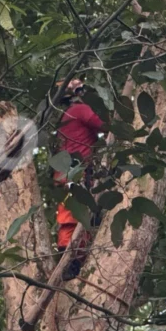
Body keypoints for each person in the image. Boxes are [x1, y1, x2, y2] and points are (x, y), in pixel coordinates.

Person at [54, 79, 104, 280]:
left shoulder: (65, 116)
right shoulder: (79, 110)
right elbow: (103, 124)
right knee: (75, 216)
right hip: (76, 171)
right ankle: (71, 260)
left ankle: (73, 258)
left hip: (68, 172)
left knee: (76, 215)